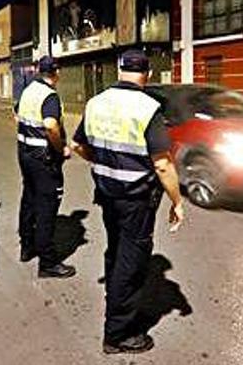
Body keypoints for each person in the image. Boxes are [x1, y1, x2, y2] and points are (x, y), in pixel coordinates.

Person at [71, 49, 185, 354]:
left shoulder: (96, 102)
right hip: (137, 200)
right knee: (131, 263)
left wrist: (106, 162)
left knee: (116, 251)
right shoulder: (148, 107)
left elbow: (77, 145)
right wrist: (177, 202)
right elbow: (162, 164)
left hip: (108, 194)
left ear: (120, 71)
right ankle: (117, 335)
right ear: (146, 74)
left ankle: (115, 297)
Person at [15, 56, 76, 279]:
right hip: (44, 159)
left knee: (29, 199)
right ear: (56, 71)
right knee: (47, 207)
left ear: (40, 71)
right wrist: (61, 150)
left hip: (25, 154)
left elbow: (16, 114)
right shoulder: (49, 96)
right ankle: (48, 263)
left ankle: (27, 246)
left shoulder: (29, 90)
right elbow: (51, 126)